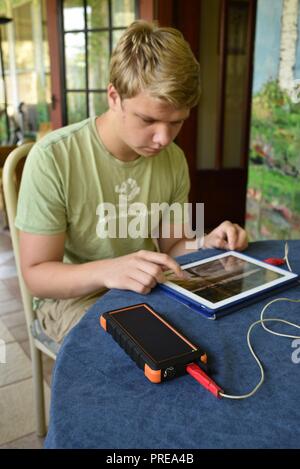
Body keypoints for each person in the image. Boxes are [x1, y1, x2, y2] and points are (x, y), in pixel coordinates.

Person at [15, 21, 248, 343]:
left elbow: (174, 245)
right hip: (72, 298)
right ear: (114, 96)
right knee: (143, 354)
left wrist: (206, 242)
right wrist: (107, 270)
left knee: (215, 334)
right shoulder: (52, 157)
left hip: (149, 286)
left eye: (176, 122)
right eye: (148, 120)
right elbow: (37, 275)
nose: (163, 138)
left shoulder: (174, 159)